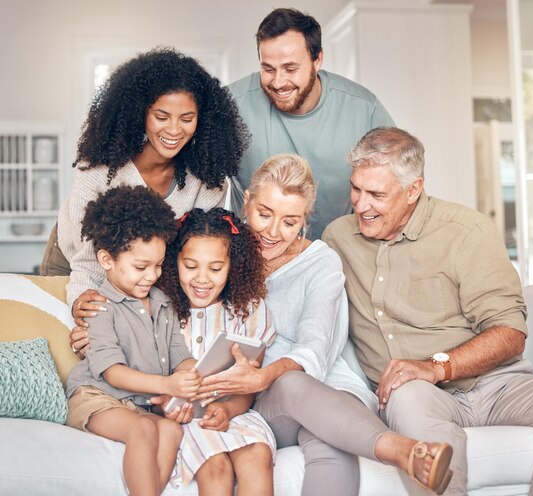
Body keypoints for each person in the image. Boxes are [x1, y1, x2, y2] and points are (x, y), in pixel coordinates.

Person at [322, 126, 533, 495]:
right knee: (407, 396)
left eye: (376, 194)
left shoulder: (465, 232)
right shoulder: (337, 239)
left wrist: (436, 367)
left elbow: (510, 333)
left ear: (413, 190)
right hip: (416, 395)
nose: (360, 204)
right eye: (356, 189)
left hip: (497, 385)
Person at [195, 154, 453, 495]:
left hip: (335, 388)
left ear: (304, 221)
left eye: (289, 222)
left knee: (327, 441)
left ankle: (404, 451)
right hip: (265, 400)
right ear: (247, 202)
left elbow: (313, 350)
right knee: (288, 385)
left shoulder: (321, 263)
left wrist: (264, 374)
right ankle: (399, 449)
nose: (273, 232)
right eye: (264, 214)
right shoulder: (222, 255)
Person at [40, 46, 249, 317]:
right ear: (141, 114)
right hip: (76, 259)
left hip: (148, 272)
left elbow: (187, 258)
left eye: (187, 119)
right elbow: (90, 259)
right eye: (161, 117)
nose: (174, 130)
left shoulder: (207, 180)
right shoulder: (99, 169)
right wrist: (84, 304)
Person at [64, 185, 202, 496]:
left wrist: (194, 378)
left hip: (136, 404)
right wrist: (167, 386)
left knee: (169, 428)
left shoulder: (163, 302)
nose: (151, 275)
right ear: (106, 259)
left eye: (157, 265)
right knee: (143, 428)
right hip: (97, 397)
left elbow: (180, 356)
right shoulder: (99, 306)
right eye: (140, 267)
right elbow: (112, 373)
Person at [228, 7, 395, 239]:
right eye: (268, 69)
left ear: (317, 60)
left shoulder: (364, 108)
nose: (278, 82)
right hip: (258, 254)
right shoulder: (230, 105)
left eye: (290, 68)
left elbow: (399, 185)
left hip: (341, 253)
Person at [155, 207, 276, 496]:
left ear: (233, 266)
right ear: (174, 262)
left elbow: (248, 385)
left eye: (215, 268)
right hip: (185, 420)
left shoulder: (248, 310)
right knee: (215, 466)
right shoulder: (160, 309)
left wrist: (227, 409)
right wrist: (166, 407)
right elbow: (151, 382)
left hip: (234, 413)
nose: (202, 279)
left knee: (256, 455)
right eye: (191, 266)